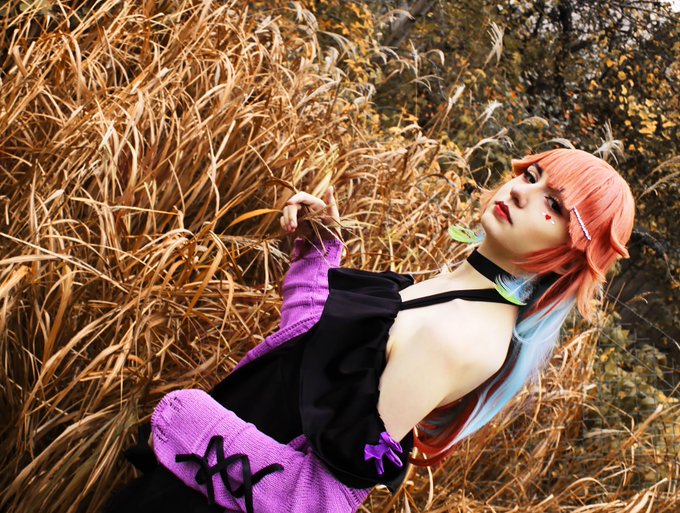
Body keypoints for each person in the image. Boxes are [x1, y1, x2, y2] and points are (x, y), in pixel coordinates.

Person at [104, 148, 635, 513]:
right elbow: (318, 370)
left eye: (553, 204)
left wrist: (194, 426)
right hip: (191, 486)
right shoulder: (462, 287)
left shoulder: (461, 335)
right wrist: (318, 252)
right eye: (531, 174)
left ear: (572, 256)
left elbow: (315, 499)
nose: (522, 192)